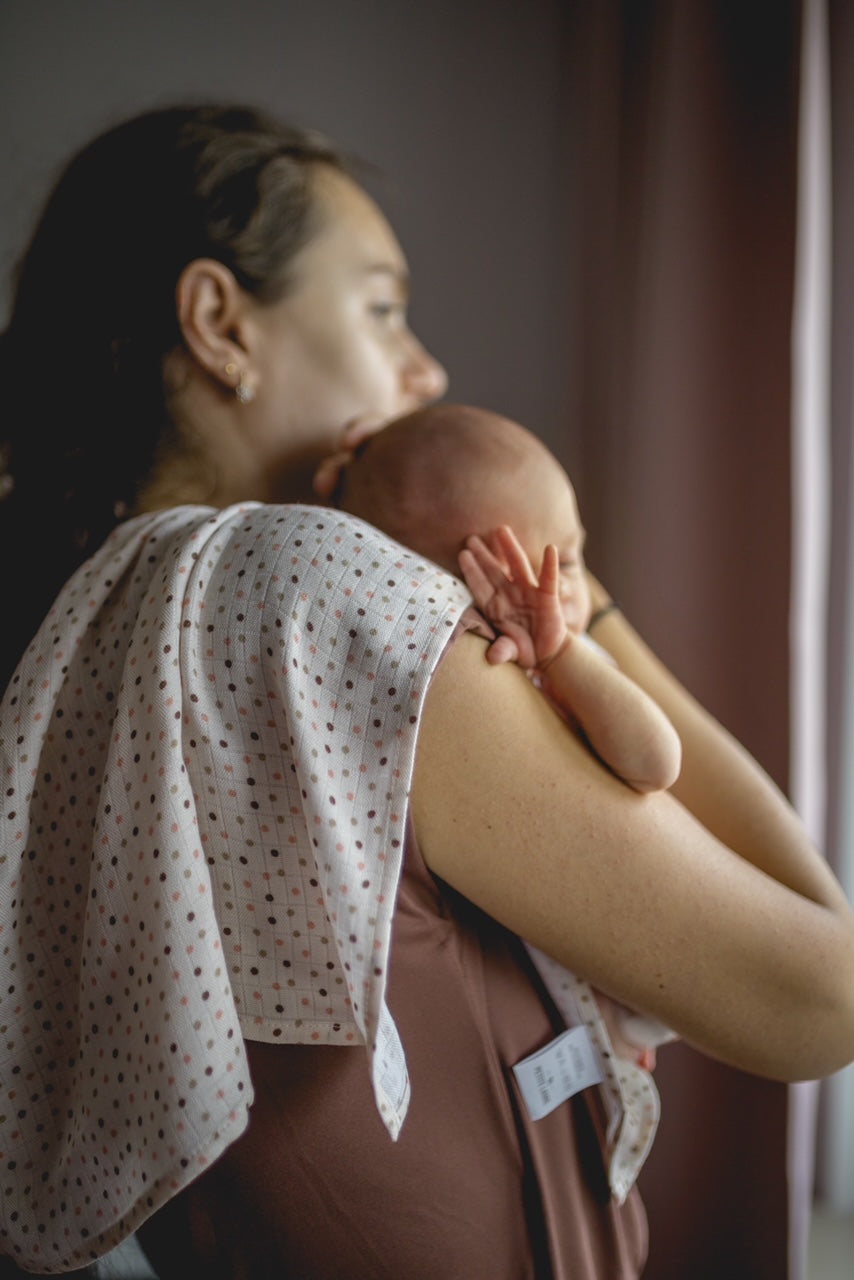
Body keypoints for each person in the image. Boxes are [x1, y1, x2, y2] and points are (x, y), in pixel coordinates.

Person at [1, 103, 853, 1280]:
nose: (427, 366)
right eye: (380, 305)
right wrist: (573, 587)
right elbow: (817, 991)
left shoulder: (85, 636)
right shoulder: (314, 591)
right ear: (217, 322)